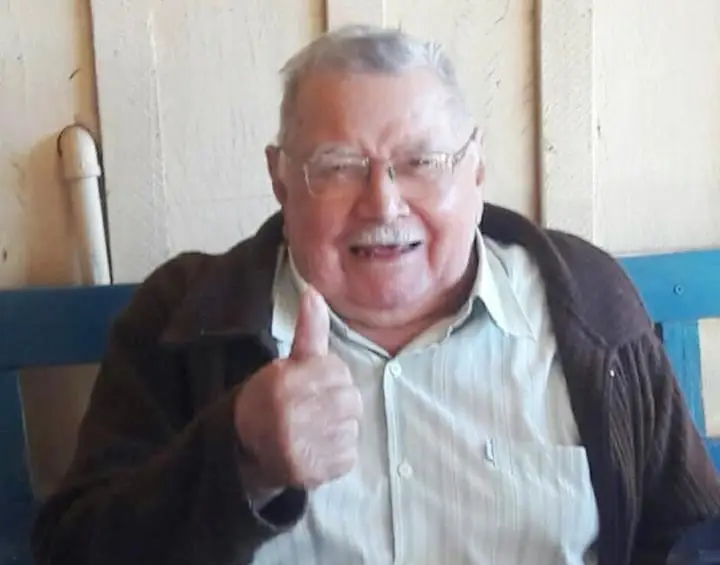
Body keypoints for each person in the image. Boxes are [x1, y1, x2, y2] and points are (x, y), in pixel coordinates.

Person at [32, 24, 720, 565]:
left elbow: (690, 536)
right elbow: (75, 549)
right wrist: (239, 460)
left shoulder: (586, 303)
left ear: (477, 167)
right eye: (337, 166)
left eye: (421, 162)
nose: (383, 202)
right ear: (280, 179)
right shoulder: (184, 315)